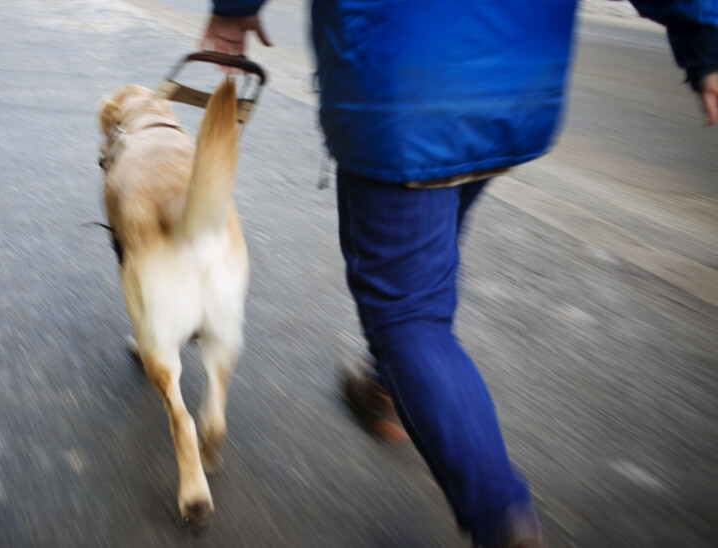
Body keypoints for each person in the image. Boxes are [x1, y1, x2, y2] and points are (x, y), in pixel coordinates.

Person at [200, 0, 718, 546]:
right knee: (430, 249)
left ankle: (501, 517)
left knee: (407, 313)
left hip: (405, 84)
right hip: (518, 87)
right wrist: (705, 43)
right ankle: (382, 384)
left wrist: (234, 10)